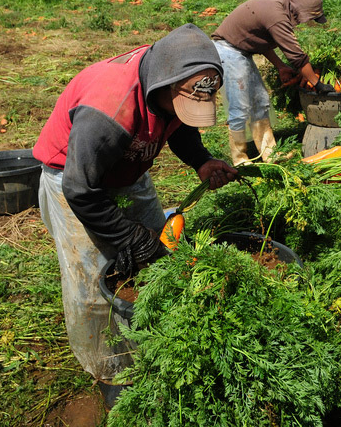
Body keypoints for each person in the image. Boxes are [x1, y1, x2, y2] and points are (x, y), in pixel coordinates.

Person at [32, 24, 238, 402]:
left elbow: (179, 125)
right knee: (96, 281)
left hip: (126, 168)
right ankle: (110, 372)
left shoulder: (167, 82)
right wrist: (131, 238)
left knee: (160, 253)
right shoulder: (107, 111)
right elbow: (82, 190)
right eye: (181, 102)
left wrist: (203, 161)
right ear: (161, 85)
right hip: (75, 181)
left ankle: (156, 336)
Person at [211, 0, 332, 165]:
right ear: (300, 11)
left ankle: (270, 153)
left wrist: (281, 67)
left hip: (241, 50)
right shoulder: (277, 16)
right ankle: (240, 158)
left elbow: (261, 41)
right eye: (310, 17)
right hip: (228, 51)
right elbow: (297, 56)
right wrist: (317, 83)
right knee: (240, 105)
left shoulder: (280, 6)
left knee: (260, 100)